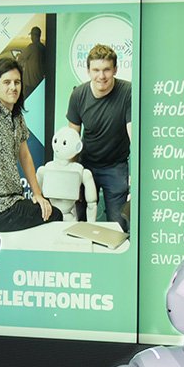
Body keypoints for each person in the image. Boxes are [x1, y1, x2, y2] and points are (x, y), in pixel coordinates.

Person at [0, 57, 60, 231]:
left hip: (14, 200)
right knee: (55, 215)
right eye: (7, 82)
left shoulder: (17, 117)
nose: (13, 87)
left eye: (17, 82)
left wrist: (37, 194)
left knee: (48, 208)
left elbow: (25, 155)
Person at [67, 43, 132, 230]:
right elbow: (72, 140)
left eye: (106, 70)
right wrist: (73, 177)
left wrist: (135, 176)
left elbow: (133, 134)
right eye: (96, 70)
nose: (101, 76)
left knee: (119, 226)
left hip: (116, 166)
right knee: (79, 223)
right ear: (88, 71)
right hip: (86, 166)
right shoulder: (78, 95)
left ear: (115, 70)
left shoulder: (128, 92)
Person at [17, 25, 47, 98]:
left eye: (32, 35)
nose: (31, 37)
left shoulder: (32, 47)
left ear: (34, 36)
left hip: (30, 84)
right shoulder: (43, 48)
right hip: (39, 83)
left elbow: (21, 58)